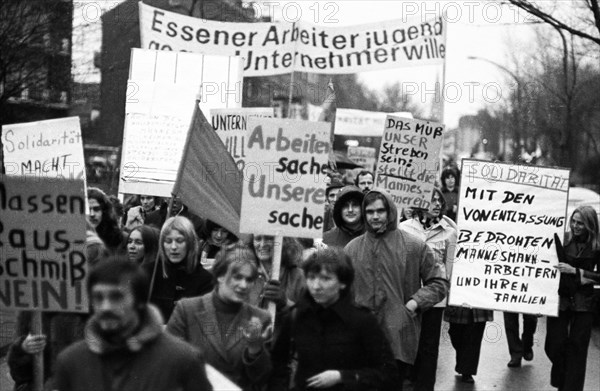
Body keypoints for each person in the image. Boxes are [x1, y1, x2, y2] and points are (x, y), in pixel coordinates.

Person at [53, 260, 213, 391]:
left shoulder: (183, 361)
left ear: (140, 302)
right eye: (98, 297)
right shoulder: (70, 362)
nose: (105, 307)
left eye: (117, 297)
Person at [344, 188, 448, 390]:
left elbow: (439, 282)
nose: (375, 216)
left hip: (398, 338)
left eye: (380, 211)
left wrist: (412, 304)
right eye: (370, 211)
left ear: (390, 211)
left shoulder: (413, 245)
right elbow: (342, 289)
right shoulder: (352, 248)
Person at [269, 247, 400, 391]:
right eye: (311, 278)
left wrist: (342, 376)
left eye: (326, 279)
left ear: (342, 283)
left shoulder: (363, 321)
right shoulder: (297, 316)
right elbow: (277, 365)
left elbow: (389, 375)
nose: (316, 286)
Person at [167, 243, 272, 391]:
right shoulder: (187, 310)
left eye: (249, 280)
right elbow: (168, 363)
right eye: (237, 277)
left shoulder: (260, 318)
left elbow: (262, 379)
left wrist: (255, 349)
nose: (243, 285)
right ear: (220, 276)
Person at [400, 188, 456, 391]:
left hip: (435, 298)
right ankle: (409, 381)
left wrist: (447, 292)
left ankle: (425, 386)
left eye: (439, 201)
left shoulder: (450, 231)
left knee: (429, 346)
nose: (437, 204)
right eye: (432, 200)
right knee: (408, 341)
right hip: (409, 296)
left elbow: (450, 266)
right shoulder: (404, 229)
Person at [545, 205, 600, 391]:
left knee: (578, 348)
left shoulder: (597, 247)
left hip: (584, 303)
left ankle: (570, 387)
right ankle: (562, 380)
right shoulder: (563, 239)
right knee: (554, 344)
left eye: (580, 224)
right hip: (561, 301)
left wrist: (576, 272)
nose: (575, 226)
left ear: (590, 225)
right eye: (573, 222)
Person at [147, 216, 213, 321]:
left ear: (190, 243)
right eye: (168, 241)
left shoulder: (205, 280)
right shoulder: (148, 272)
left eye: (180, 241)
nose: (173, 247)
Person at [246, 235, 305, 312]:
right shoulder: (244, 273)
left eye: (269, 238)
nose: (262, 244)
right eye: (258, 239)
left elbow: (309, 318)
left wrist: (286, 303)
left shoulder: (298, 276)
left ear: (283, 241)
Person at [444, 306, 493, 384]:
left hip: (479, 306)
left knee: (474, 339)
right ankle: (463, 363)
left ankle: (467, 372)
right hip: (458, 306)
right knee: (456, 335)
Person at [87, 187, 127, 255]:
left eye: (96, 209)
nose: (92, 214)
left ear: (104, 211)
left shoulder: (120, 239)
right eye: (87, 209)